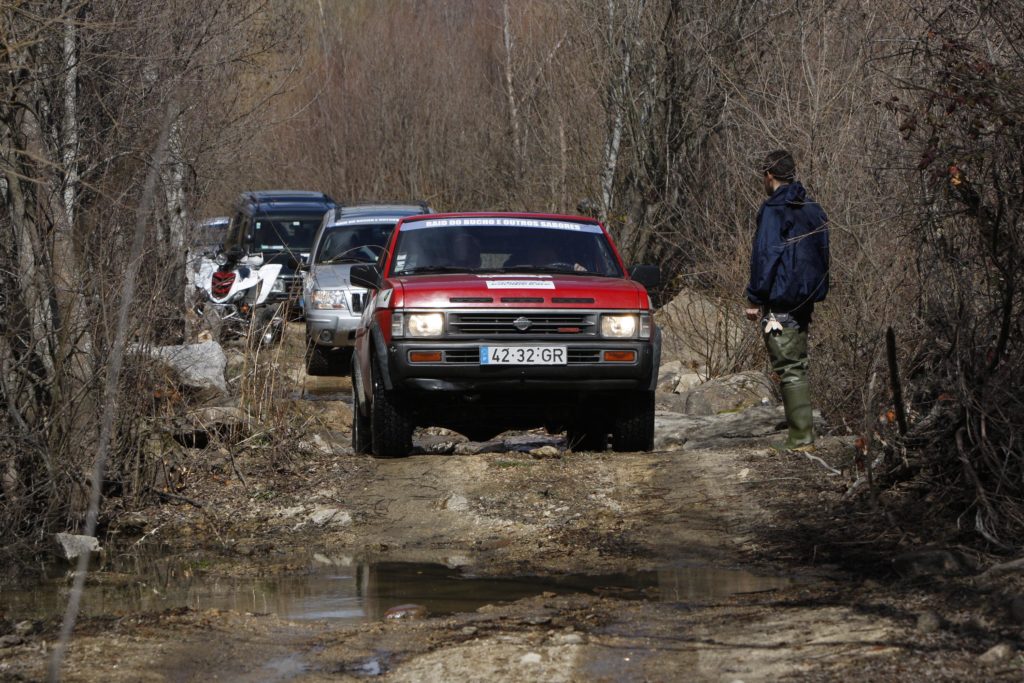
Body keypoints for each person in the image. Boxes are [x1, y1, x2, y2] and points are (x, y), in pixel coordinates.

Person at [745, 149, 830, 451]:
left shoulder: (774, 210)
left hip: (781, 299)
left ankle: (801, 437)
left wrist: (755, 296)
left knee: (790, 367)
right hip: (806, 298)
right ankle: (801, 432)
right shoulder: (811, 208)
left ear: (769, 174)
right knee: (798, 363)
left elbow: (766, 255)